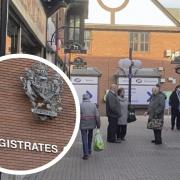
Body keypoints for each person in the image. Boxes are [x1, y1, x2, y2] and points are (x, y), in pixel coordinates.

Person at [80, 94, 100, 160]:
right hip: (92, 123)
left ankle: (86, 154)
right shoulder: (93, 105)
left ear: (83, 98)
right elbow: (97, 116)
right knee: (90, 136)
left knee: (84, 138)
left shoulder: (80, 105)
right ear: (89, 98)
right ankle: (89, 150)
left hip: (83, 123)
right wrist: (98, 125)